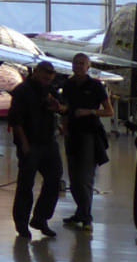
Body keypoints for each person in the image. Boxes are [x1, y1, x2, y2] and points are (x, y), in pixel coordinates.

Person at [9, 60, 66, 240]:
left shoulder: (50, 90)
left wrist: (58, 107)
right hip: (30, 143)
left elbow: (61, 108)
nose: (47, 77)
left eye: (50, 74)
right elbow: (16, 121)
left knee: (54, 179)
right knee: (26, 184)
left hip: (48, 142)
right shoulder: (22, 91)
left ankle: (40, 218)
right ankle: (22, 224)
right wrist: (24, 145)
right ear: (36, 72)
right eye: (44, 73)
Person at [58, 53, 114, 230]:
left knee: (85, 178)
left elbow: (109, 111)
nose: (79, 66)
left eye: (82, 64)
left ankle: (86, 217)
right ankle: (80, 213)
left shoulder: (96, 86)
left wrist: (90, 112)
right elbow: (65, 109)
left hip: (89, 135)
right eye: (76, 63)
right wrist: (64, 127)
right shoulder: (67, 85)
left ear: (88, 67)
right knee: (74, 179)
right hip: (72, 134)